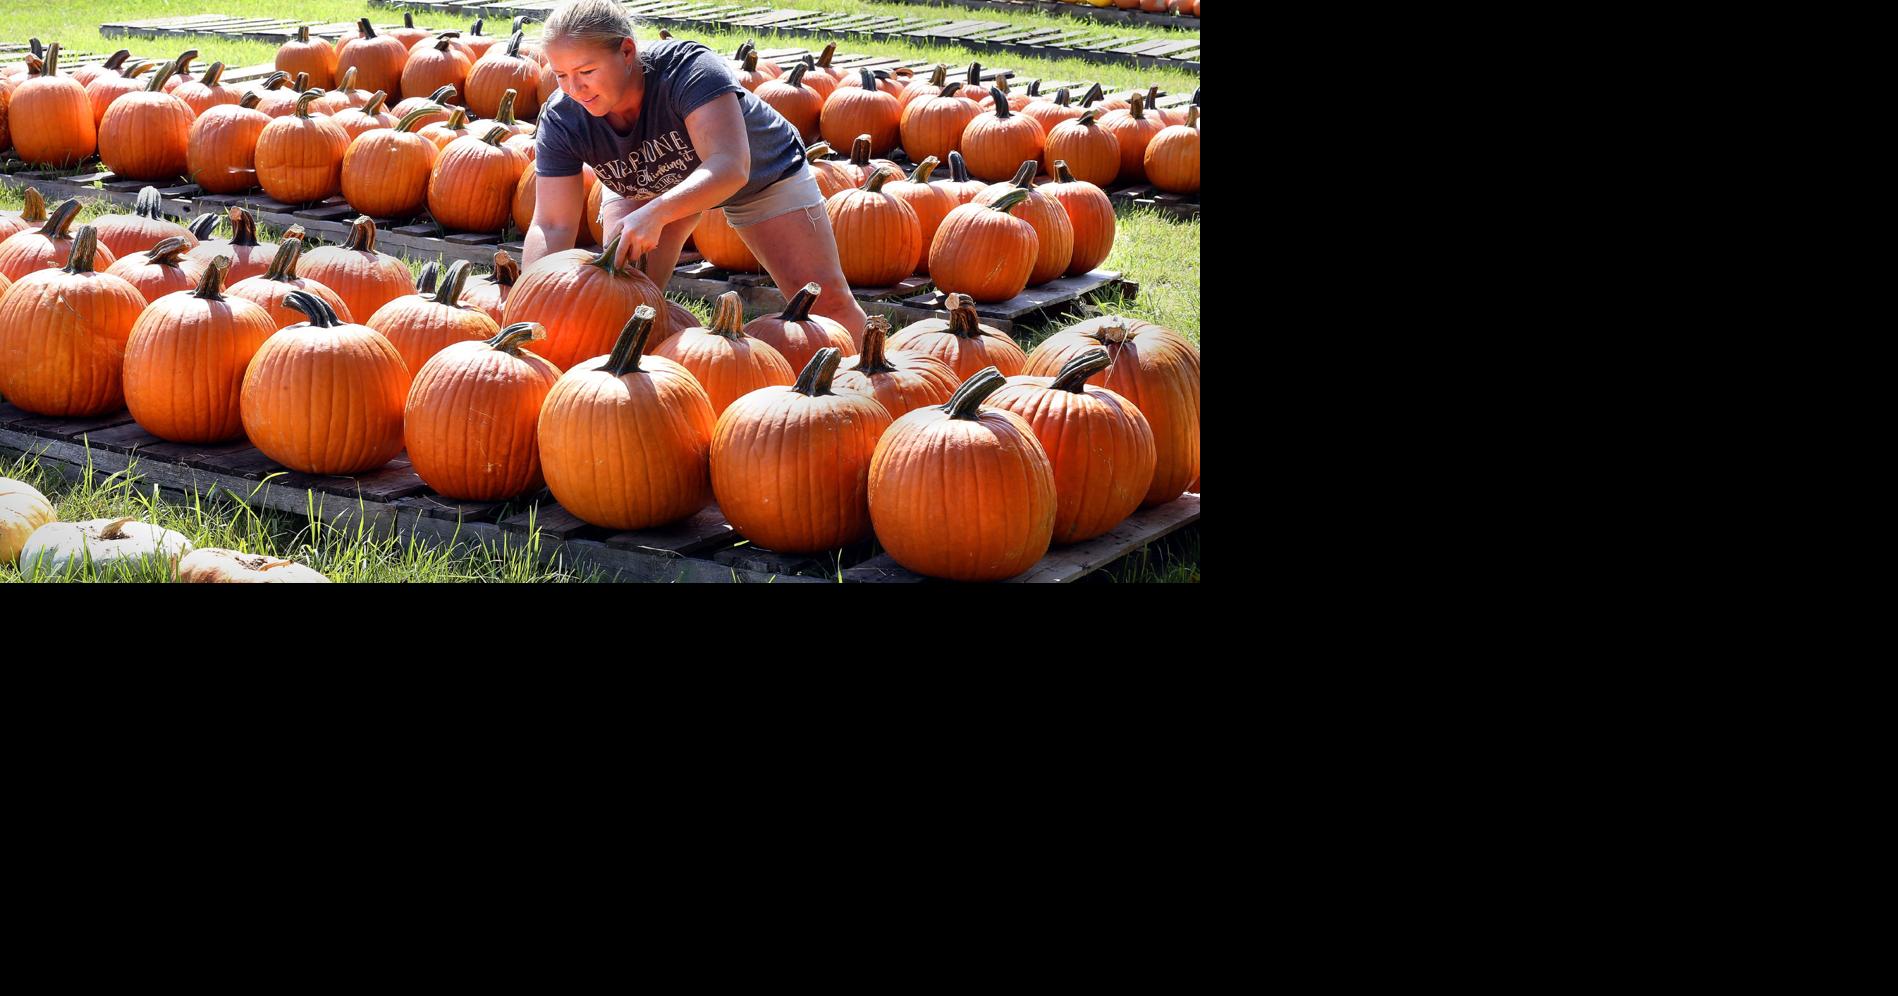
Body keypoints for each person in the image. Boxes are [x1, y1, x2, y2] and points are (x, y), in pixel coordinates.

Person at [523, 0, 866, 340]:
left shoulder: (688, 69)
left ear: (627, 52)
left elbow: (729, 166)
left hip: (760, 175)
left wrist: (657, 214)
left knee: (825, 304)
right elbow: (552, 223)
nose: (574, 88)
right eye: (561, 75)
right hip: (647, 181)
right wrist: (530, 298)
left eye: (586, 72)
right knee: (619, 311)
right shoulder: (562, 118)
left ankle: (870, 377)